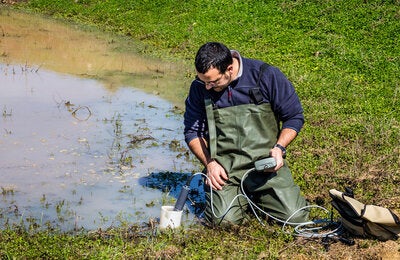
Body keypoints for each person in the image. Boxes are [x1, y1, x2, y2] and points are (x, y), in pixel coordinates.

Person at [183, 42, 309, 226]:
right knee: (223, 222)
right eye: (204, 81)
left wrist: (279, 148)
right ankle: (238, 196)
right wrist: (210, 164)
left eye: (214, 81)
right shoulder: (199, 87)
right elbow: (192, 132)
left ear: (230, 68)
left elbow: (294, 116)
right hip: (226, 170)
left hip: (265, 167)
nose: (207, 87)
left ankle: (257, 197)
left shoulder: (265, 75)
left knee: (296, 218)